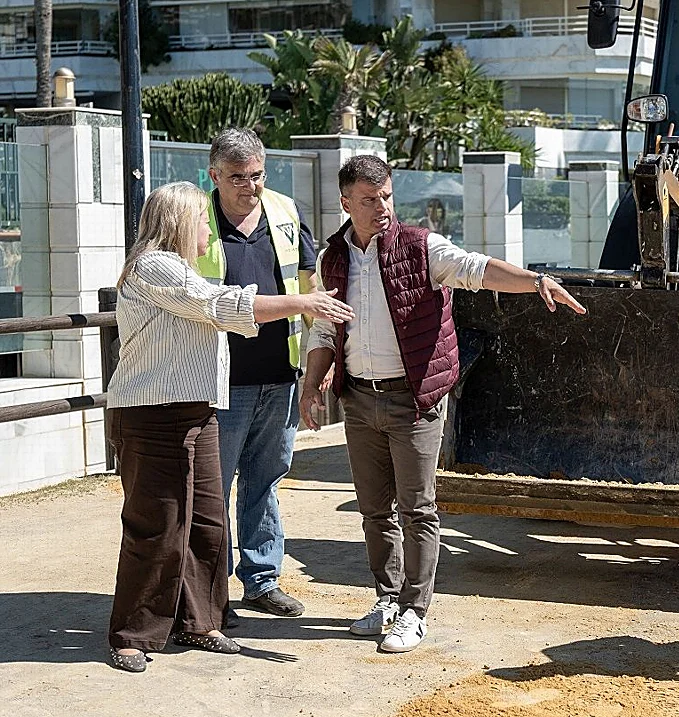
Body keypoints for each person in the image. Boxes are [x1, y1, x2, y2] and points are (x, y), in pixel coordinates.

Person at [301, 155, 586, 654]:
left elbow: (476, 269)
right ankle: (386, 600)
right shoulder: (334, 258)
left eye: (387, 195)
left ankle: (414, 611)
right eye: (369, 200)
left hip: (413, 400)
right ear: (346, 202)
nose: (382, 206)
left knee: (418, 509)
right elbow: (326, 325)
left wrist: (535, 280)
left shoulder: (422, 247)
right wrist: (311, 384)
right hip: (359, 399)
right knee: (374, 510)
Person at [104, 182, 354, 673]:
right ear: (179, 223)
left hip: (197, 410)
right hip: (153, 414)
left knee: (205, 524)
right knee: (156, 526)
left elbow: (218, 305)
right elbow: (220, 305)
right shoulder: (155, 267)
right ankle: (133, 633)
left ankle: (199, 621)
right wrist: (301, 304)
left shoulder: (181, 269)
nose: (208, 228)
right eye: (201, 219)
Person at [198, 129, 319, 622]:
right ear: (213, 175)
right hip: (219, 377)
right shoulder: (194, 219)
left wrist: (319, 359)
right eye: (237, 177)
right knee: (214, 485)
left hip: (279, 374)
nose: (250, 187)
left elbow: (311, 285)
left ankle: (262, 581)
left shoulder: (285, 212)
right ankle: (210, 591)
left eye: (257, 175)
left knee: (265, 480)